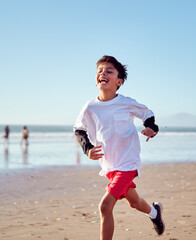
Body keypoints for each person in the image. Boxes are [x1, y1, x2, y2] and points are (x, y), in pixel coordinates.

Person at [73, 55, 164, 240]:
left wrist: (152, 128)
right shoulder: (90, 107)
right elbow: (78, 129)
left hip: (128, 163)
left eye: (109, 71)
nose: (103, 73)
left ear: (119, 81)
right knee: (134, 202)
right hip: (110, 165)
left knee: (105, 207)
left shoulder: (125, 102)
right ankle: (154, 213)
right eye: (100, 70)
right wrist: (88, 149)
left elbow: (147, 113)